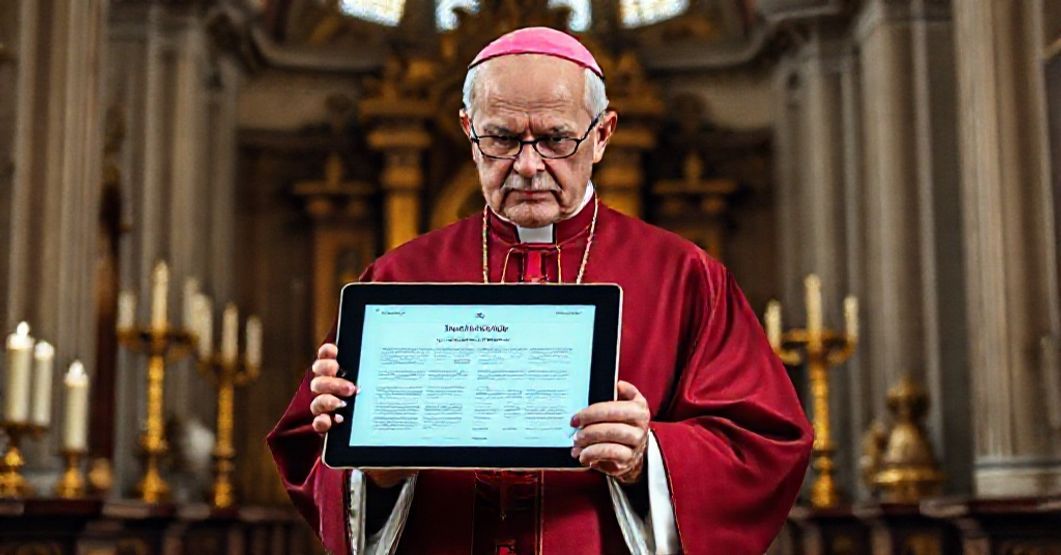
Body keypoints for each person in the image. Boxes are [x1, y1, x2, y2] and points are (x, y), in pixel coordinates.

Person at [268, 26, 813, 555]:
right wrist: (373, 468)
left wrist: (650, 457)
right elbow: (311, 456)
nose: (528, 167)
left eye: (555, 139)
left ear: (601, 135)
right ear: (469, 133)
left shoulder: (686, 276)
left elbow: (763, 447)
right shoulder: (399, 277)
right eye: (502, 138)